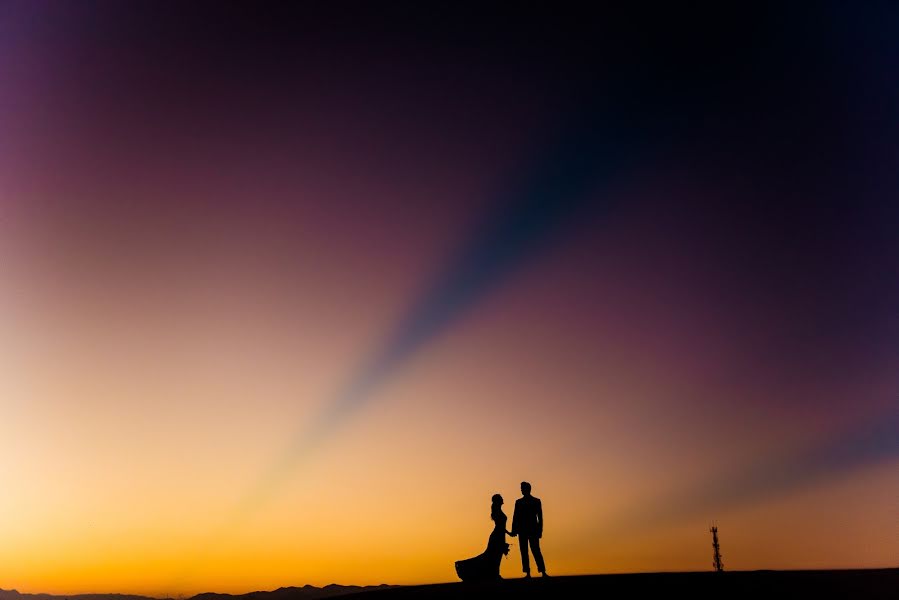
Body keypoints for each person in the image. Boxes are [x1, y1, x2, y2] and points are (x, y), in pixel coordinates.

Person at [454, 494, 512, 581]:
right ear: (498, 501)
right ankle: (494, 574)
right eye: (501, 498)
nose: (503, 499)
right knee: (493, 556)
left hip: (499, 535)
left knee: (496, 555)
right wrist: (509, 533)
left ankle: (495, 574)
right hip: (497, 536)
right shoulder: (497, 512)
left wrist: (508, 533)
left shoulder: (498, 511)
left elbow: (501, 527)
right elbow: (500, 526)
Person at [511, 481, 547, 577]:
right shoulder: (519, 502)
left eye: (523, 488)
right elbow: (515, 517)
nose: (522, 490)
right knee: (524, 551)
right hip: (523, 530)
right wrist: (514, 529)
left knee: (535, 550)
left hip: (532, 530)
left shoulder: (536, 501)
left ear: (528, 489)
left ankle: (542, 571)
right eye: (521, 489)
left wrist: (540, 530)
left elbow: (540, 517)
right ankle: (528, 572)